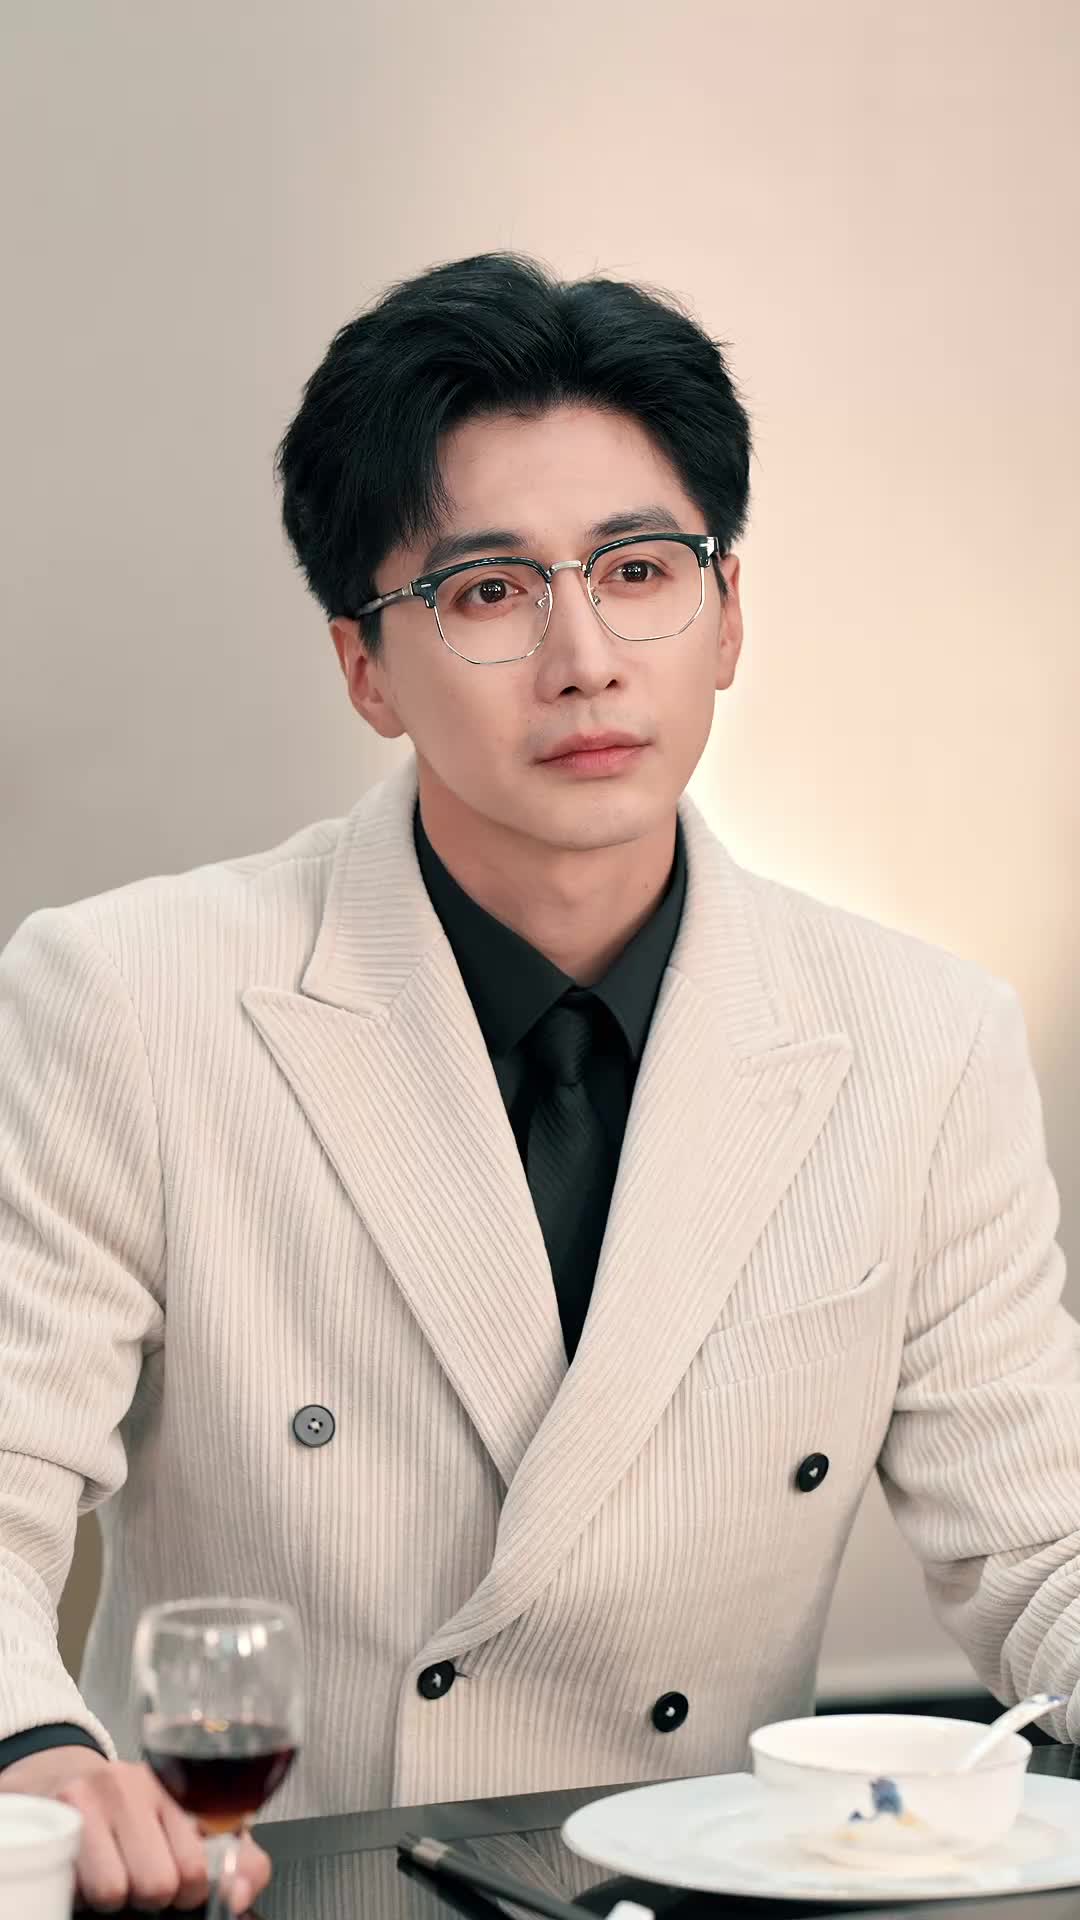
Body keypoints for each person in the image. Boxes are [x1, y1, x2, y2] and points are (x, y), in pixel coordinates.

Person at [0, 251, 1074, 1914]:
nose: (586, 658)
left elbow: (1042, 1548)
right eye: (489, 592)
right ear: (365, 664)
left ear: (729, 615)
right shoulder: (130, 1000)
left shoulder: (920, 1039)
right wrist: (35, 1755)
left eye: (640, 571)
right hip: (284, 1893)